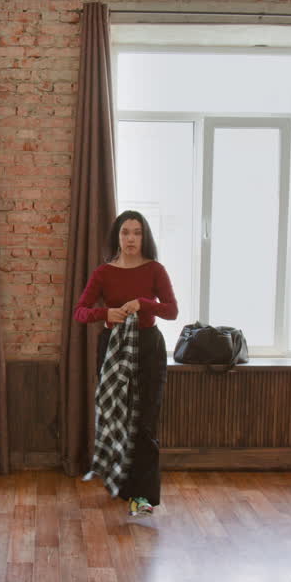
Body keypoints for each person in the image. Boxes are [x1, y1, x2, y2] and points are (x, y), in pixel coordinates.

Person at [73, 210, 178, 517]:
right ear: (117, 237)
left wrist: (144, 304)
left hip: (148, 348)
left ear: (144, 237)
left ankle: (143, 496)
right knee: (116, 418)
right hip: (112, 349)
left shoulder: (155, 270)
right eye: (125, 233)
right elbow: (80, 311)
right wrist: (105, 314)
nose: (131, 238)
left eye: (137, 232)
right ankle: (121, 483)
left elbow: (171, 311)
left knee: (145, 421)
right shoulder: (103, 273)